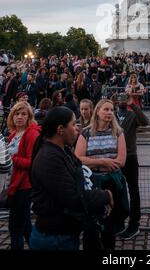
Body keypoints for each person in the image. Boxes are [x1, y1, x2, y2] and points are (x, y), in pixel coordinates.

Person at [30, 106, 113, 250]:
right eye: (73, 124)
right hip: (53, 238)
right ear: (60, 129)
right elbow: (73, 197)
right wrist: (105, 196)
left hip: (64, 233)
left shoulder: (63, 151)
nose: (77, 129)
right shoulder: (49, 158)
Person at [75, 99, 127, 250]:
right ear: (97, 111)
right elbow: (78, 158)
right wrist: (103, 162)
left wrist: (94, 161)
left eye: (111, 110)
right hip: (92, 182)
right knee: (91, 223)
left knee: (109, 225)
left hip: (111, 182)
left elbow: (121, 160)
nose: (109, 113)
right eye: (106, 109)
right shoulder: (86, 132)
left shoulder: (118, 132)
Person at [112, 92, 149, 240]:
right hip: (114, 156)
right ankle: (119, 220)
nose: (122, 102)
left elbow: (145, 121)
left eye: (124, 99)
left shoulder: (132, 115)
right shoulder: (111, 115)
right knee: (117, 190)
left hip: (131, 155)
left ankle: (135, 223)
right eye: (119, 100)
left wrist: (133, 104)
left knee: (134, 191)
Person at [6, 102, 40, 249]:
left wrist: (11, 159)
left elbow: (33, 162)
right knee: (25, 226)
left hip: (24, 185)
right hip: (14, 183)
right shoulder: (13, 135)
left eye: (23, 114)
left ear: (29, 117)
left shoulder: (31, 133)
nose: (19, 117)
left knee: (15, 228)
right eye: (16, 114)